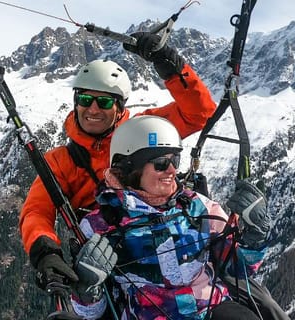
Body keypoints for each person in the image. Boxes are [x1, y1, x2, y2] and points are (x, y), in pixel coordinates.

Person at [20, 32, 217, 298]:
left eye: (104, 102)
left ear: (120, 105)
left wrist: (169, 63)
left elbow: (199, 113)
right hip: (103, 259)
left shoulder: (142, 132)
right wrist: (45, 251)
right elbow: (37, 210)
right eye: (85, 100)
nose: (93, 110)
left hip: (164, 240)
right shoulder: (60, 161)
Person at [67, 116, 273, 319]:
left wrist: (255, 238)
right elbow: (91, 314)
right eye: (160, 163)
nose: (173, 170)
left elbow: (237, 269)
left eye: (175, 160)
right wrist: (87, 289)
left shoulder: (199, 207)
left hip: (210, 310)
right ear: (130, 167)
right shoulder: (99, 226)